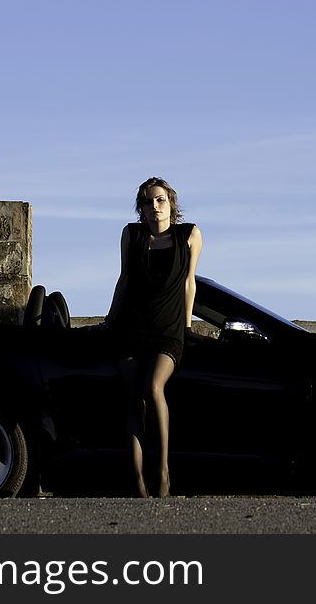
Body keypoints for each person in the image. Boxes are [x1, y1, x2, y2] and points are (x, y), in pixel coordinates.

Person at [106, 176, 203, 497]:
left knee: (153, 386)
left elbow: (190, 283)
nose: (154, 207)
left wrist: (188, 327)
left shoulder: (188, 235)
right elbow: (124, 279)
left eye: (160, 200)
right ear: (141, 208)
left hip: (168, 331)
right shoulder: (131, 235)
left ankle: (162, 473)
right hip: (131, 328)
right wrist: (110, 317)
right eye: (148, 202)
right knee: (134, 400)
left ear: (171, 204)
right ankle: (137, 482)